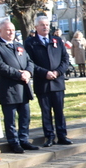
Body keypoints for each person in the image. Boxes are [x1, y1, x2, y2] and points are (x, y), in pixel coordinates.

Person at [0, 18, 38, 153]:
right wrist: (18, 74)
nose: (11, 32)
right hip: (9, 88)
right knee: (10, 118)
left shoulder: (18, 45)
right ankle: (13, 142)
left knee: (25, 116)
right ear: (0, 31)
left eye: (12, 30)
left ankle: (24, 139)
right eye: (8, 30)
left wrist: (28, 72)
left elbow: (29, 61)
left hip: (24, 86)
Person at [25, 15, 72, 147]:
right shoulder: (30, 43)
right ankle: (49, 136)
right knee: (46, 112)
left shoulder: (56, 40)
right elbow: (30, 63)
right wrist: (45, 73)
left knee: (59, 111)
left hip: (57, 82)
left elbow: (65, 59)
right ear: (36, 27)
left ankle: (62, 135)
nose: (45, 27)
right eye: (42, 25)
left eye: (47, 24)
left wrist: (57, 72)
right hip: (43, 83)